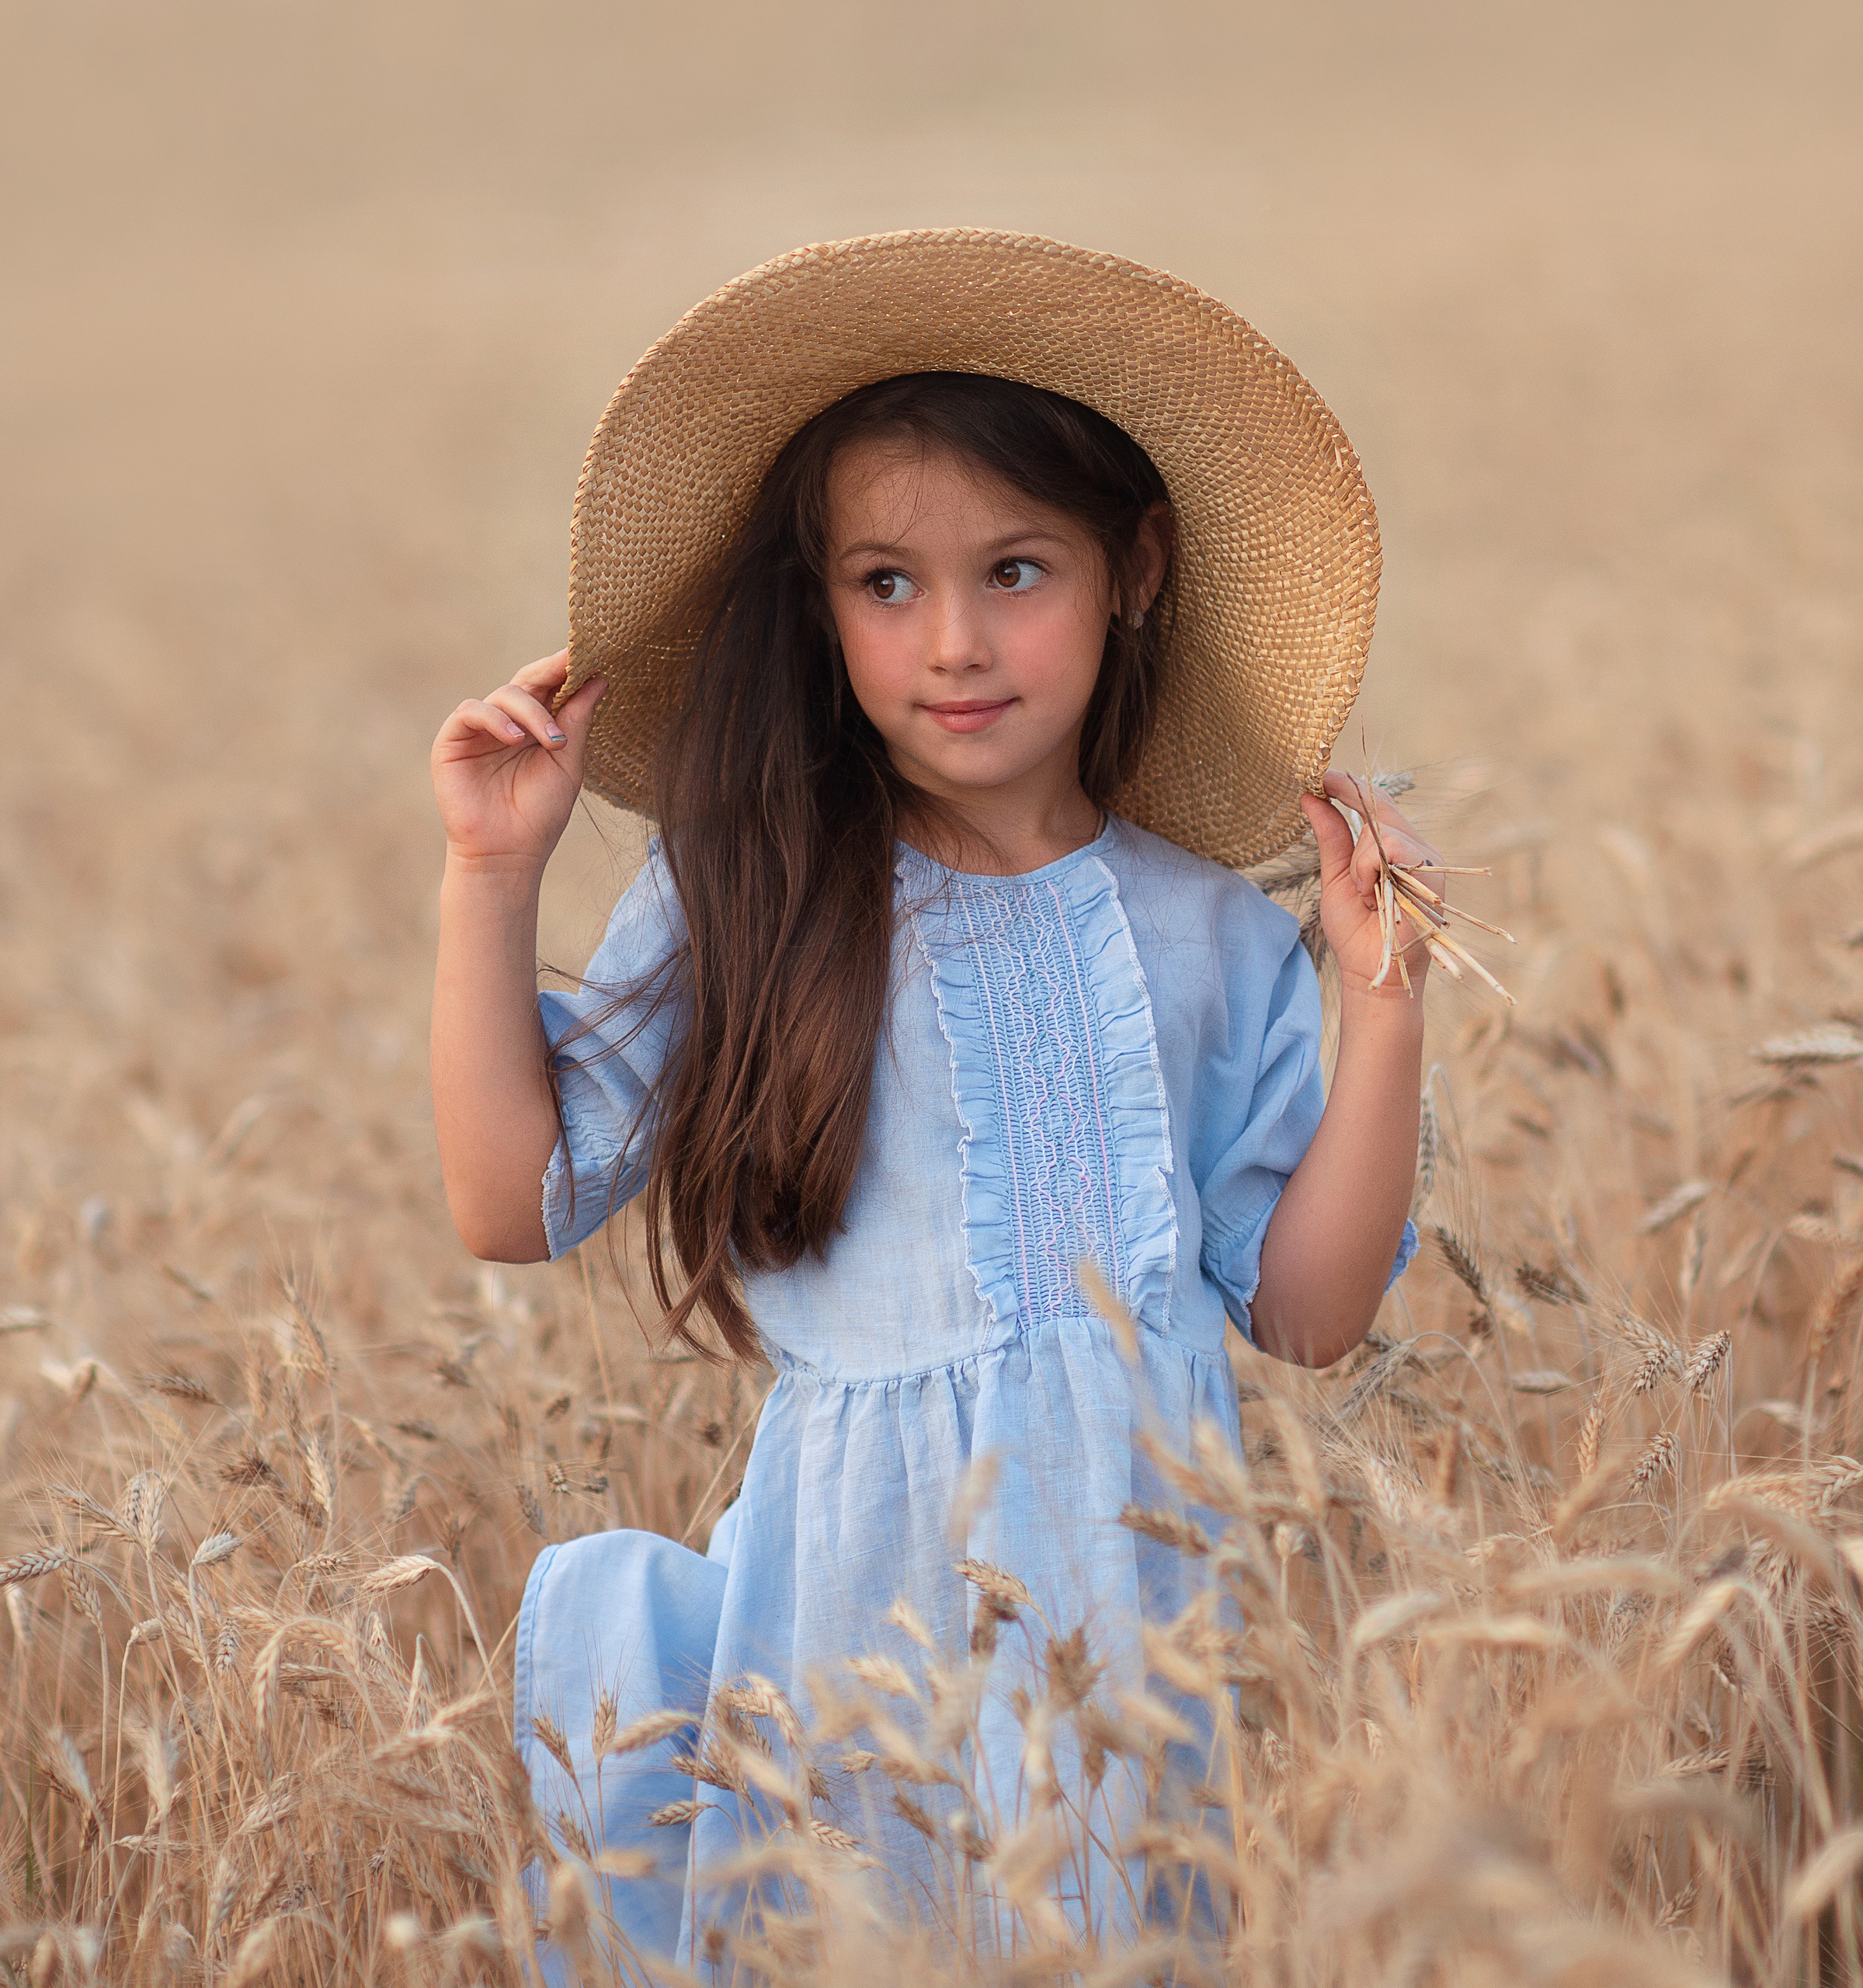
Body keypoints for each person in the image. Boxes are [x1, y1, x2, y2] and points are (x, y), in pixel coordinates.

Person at [429, 231, 1434, 1971]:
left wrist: (1381, 1002)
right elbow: (509, 1202)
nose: (951, 642)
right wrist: (486, 874)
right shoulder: (750, 885)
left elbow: (1307, 1306)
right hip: (845, 1631)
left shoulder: (1203, 929)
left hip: (1134, 1633)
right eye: (883, 582)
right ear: (817, 605)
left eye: (1015, 569)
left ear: (1134, 569)